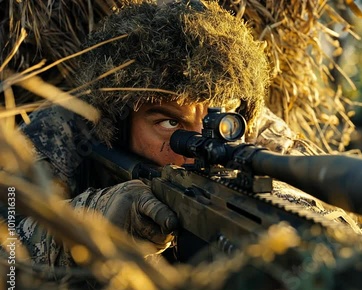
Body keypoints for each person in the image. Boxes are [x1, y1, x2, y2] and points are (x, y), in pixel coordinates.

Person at [9, 0, 336, 274]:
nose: (198, 148)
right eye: (169, 123)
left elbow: (330, 212)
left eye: (214, 123)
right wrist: (92, 220)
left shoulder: (248, 121)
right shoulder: (68, 129)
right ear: (119, 122)